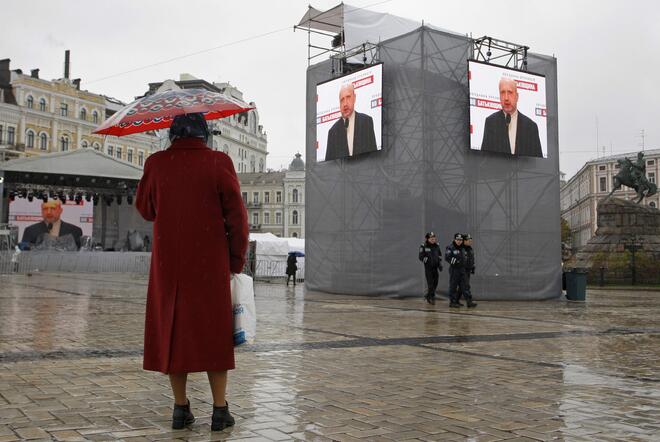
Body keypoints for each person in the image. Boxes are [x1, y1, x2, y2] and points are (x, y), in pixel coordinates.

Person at [136, 113, 248, 431]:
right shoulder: (219, 162)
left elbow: (145, 208)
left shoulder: (156, 163)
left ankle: (180, 408)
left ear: (171, 135)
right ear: (205, 135)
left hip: (167, 265)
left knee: (173, 334)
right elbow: (237, 218)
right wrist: (235, 261)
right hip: (210, 264)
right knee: (214, 336)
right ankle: (219, 410)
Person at [480, 77, 543, 158]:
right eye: (502, 92)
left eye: (510, 92)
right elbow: (483, 159)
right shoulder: (491, 122)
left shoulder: (531, 126)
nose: (506, 98)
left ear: (517, 96)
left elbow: (538, 163)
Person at [325, 83, 378, 161]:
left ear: (354, 98)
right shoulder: (333, 131)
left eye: (348, 97)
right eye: (342, 100)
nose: (345, 104)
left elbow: (374, 156)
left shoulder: (366, 122)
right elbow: (329, 165)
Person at [418, 231, 442, 305]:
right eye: (431, 238)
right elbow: (421, 256)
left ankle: (428, 295)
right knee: (430, 284)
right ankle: (431, 297)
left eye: (434, 238)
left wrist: (439, 264)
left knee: (436, 282)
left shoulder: (437, 246)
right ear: (427, 239)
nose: (433, 239)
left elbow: (439, 256)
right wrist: (426, 260)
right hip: (428, 268)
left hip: (435, 268)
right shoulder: (423, 246)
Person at [445, 233, 466, 308]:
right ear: (454, 239)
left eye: (460, 240)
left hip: (462, 270)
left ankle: (457, 300)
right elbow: (447, 257)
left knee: (462, 286)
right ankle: (452, 302)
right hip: (454, 269)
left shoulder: (463, 248)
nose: (459, 241)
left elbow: (464, 258)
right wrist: (455, 262)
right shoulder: (450, 247)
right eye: (458, 240)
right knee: (453, 286)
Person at [460, 233, 477, 308]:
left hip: (468, 270)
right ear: (464, 241)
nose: (470, 241)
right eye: (468, 240)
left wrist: (472, 267)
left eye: (470, 240)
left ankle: (455, 300)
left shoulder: (470, 248)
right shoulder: (461, 249)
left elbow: (471, 259)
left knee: (462, 287)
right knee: (466, 286)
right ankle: (469, 301)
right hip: (462, 270)